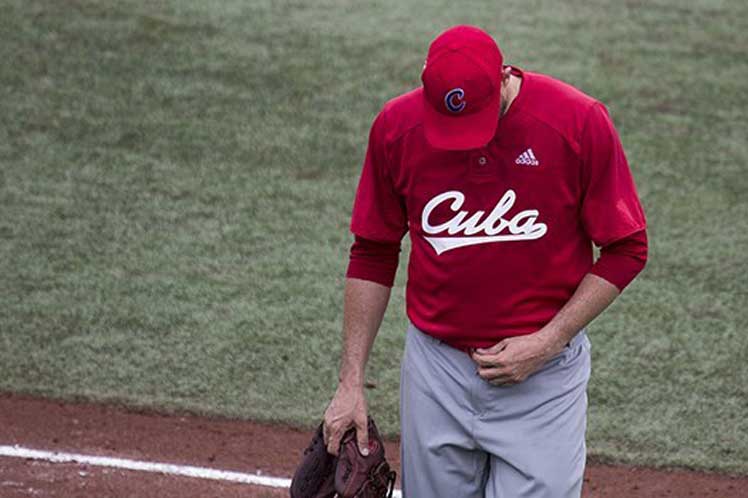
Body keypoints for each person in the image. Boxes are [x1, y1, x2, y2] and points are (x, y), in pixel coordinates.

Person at [323, 24, 648, 498]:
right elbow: (373, 251)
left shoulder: (577, 122)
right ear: (423, 79)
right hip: (436, 376)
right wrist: (350, 382)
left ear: (503, 77)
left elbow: (627, 248)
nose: (467, 142)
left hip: (544, 378)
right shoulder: (397, 128)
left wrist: (550, 339)